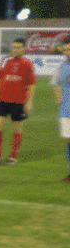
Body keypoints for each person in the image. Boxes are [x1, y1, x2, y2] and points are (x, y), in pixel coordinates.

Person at [0, 38, 36, 165]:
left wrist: (29, 102)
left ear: (24, 49)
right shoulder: (4, 61)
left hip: (18, 101)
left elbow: (31, 84)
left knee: (17, 128)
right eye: (14, 47)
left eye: (19, 47)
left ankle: (13, 156)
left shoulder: (27, 63)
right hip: (2, 100)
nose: (16, 49)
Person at [51, 42, 70, 182]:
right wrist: (58, 98)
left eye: (69, 49)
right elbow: (54, 82)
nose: (66, 52)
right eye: (65, 50)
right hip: (66, 110)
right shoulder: (61, 67)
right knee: (68, 141)